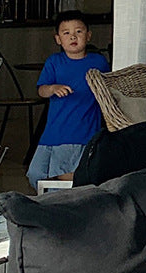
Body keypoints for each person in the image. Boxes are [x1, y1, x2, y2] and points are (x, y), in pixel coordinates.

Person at [27, 15, 109, 190]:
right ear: (58, 39)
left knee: (61, 178)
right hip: (52, 132)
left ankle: (58, 205)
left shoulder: (98, 62)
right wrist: (52, 88)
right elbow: (41, 90)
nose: (73, 36)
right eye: (66, 33)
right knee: (36, 174)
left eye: (79, 31)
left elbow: (109, 91)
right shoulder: (54, 62)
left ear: (88, 35)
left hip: (80, 131)